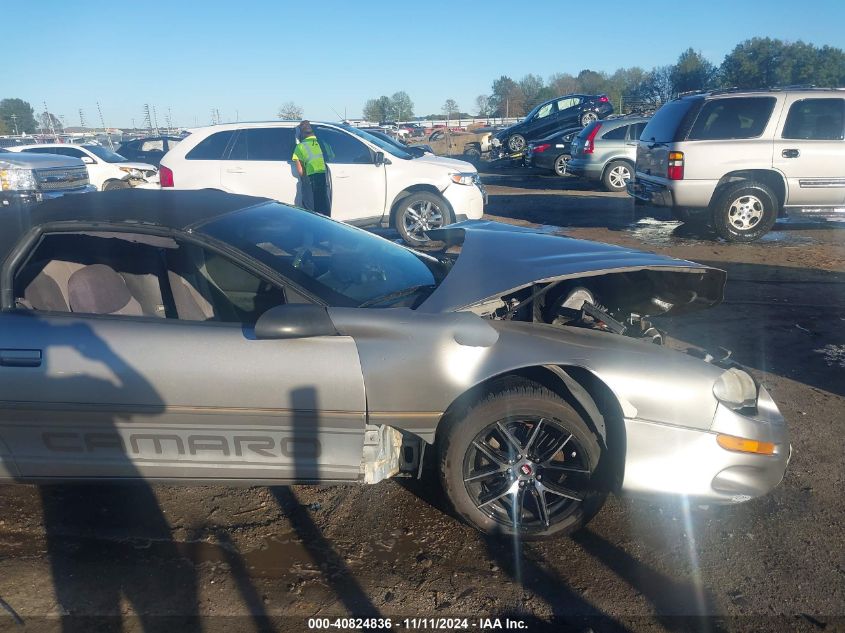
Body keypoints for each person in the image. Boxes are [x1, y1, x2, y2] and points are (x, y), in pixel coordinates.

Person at [292, 121, 330, 216]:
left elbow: (300, 170)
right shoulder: (323, 143)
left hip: (311, 177)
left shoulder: (300, 147)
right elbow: (331, 157)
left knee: (311, 205)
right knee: (324, 202)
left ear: (301, 133)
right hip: (325, 175)